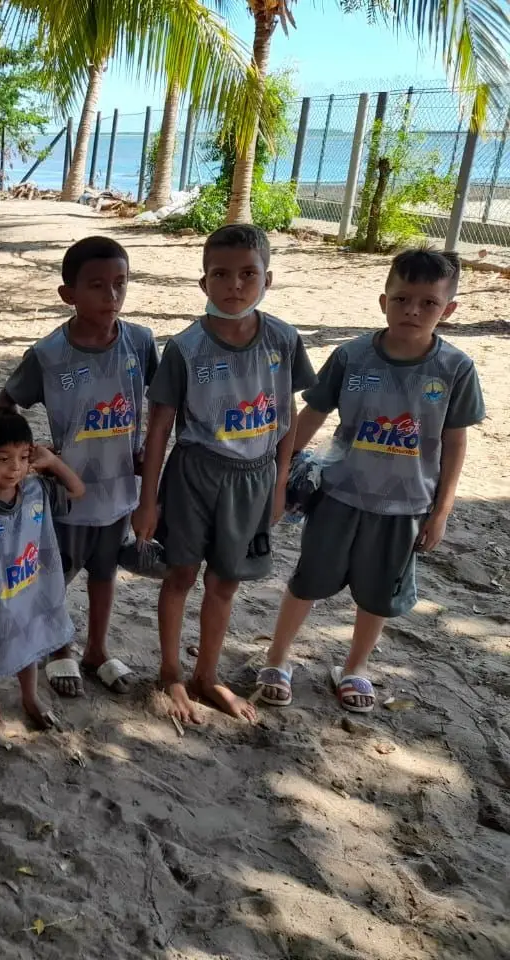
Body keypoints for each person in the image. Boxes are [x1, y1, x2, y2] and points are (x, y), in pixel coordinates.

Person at [256, 249, 485, 713]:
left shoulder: (455, 369)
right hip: (339, 496)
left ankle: (355, 667)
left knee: (378, 595)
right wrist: (280, 471)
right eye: (402, 299)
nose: (413, 311)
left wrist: (441, 511)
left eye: (428, 302)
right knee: (308, 580)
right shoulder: (352, 356)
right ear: (384, 301)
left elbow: (455, 441)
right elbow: (313, 414)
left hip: (406, 506)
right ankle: (277, 658)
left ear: (449, 309)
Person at [132, 224, 317, 725]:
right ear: (204, 282)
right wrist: (148, 500)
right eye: (221, 274)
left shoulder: (283, 339)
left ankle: (206, 675)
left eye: (248, 274)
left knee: (225, 582)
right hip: (195, 475)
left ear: (267, 279)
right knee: (180, 575)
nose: (234, 284)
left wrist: (280, 481)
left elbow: (286, 415)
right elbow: (159, 427)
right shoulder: (186, 347)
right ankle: (171, 671)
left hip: (255, 477)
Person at [0, 237, 159, 698]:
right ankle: (59, 648)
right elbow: (6, 403)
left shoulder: (141, 342)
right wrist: (25, 455)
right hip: (67, 494)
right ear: (68, 293)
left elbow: (163, 402)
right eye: (96, 285)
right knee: (56, 575)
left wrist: (148, 451)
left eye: (120, 283)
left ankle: (97, 650)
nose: (111, 295)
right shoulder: (49, 355)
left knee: (105, 574)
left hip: (120, 492)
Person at [0, 407, 84, 731]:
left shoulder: (38, 489)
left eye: (23, 457)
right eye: (3, 459)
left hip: (30, 589)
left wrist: (52, 463)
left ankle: (29, 695)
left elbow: (77, 490)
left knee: (30, 640)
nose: (15, 467)